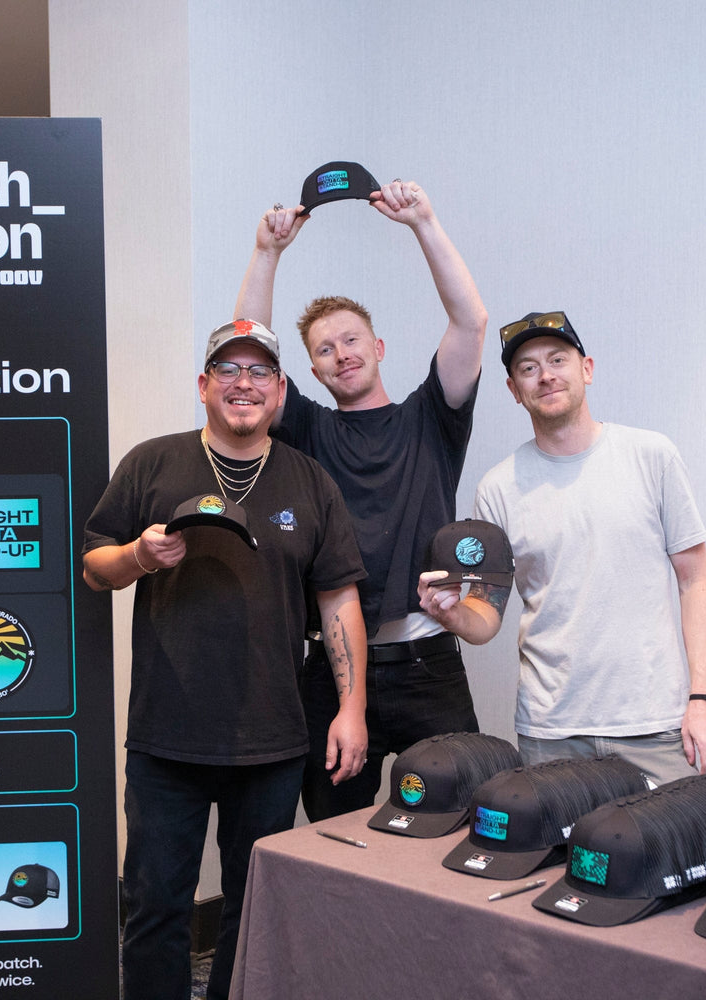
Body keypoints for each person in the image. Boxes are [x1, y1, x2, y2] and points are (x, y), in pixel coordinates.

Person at [81, 319, 368, 1000]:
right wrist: (138, 556)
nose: (244, 383)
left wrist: (352, 708)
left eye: (260, 371)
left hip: (271, 741)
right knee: (154, 909)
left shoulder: (310, 480)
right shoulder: (153, 462)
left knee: (253, 910)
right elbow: (95, 567)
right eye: (229, 371)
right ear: (204, 386)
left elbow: (337, 601)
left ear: (280, 390)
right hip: (166, 736)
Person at [234, 177, 489, 819]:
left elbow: (471, 320)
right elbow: (248, 352)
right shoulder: (309, 430)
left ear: (377, 349)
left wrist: (423, 223)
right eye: (324, 349)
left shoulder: (431, 417)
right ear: (312, 372)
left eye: (351, 340)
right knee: (334, 839)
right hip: (330, 672)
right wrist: (267, 253)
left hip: (427, 662)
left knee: (455, 833)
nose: (340, 354)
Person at [419, 310, 706, 785]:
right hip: (551, 732)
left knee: (673, 855)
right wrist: (452, 615)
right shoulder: (498, 488)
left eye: (557, 359)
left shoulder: (652, 457)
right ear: (514, 391)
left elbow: (696, 580)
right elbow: (485, 616)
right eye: (527, 368)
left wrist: (703, 699)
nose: (545, 375)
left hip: (653, 724)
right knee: (560, 861)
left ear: (586, 369)